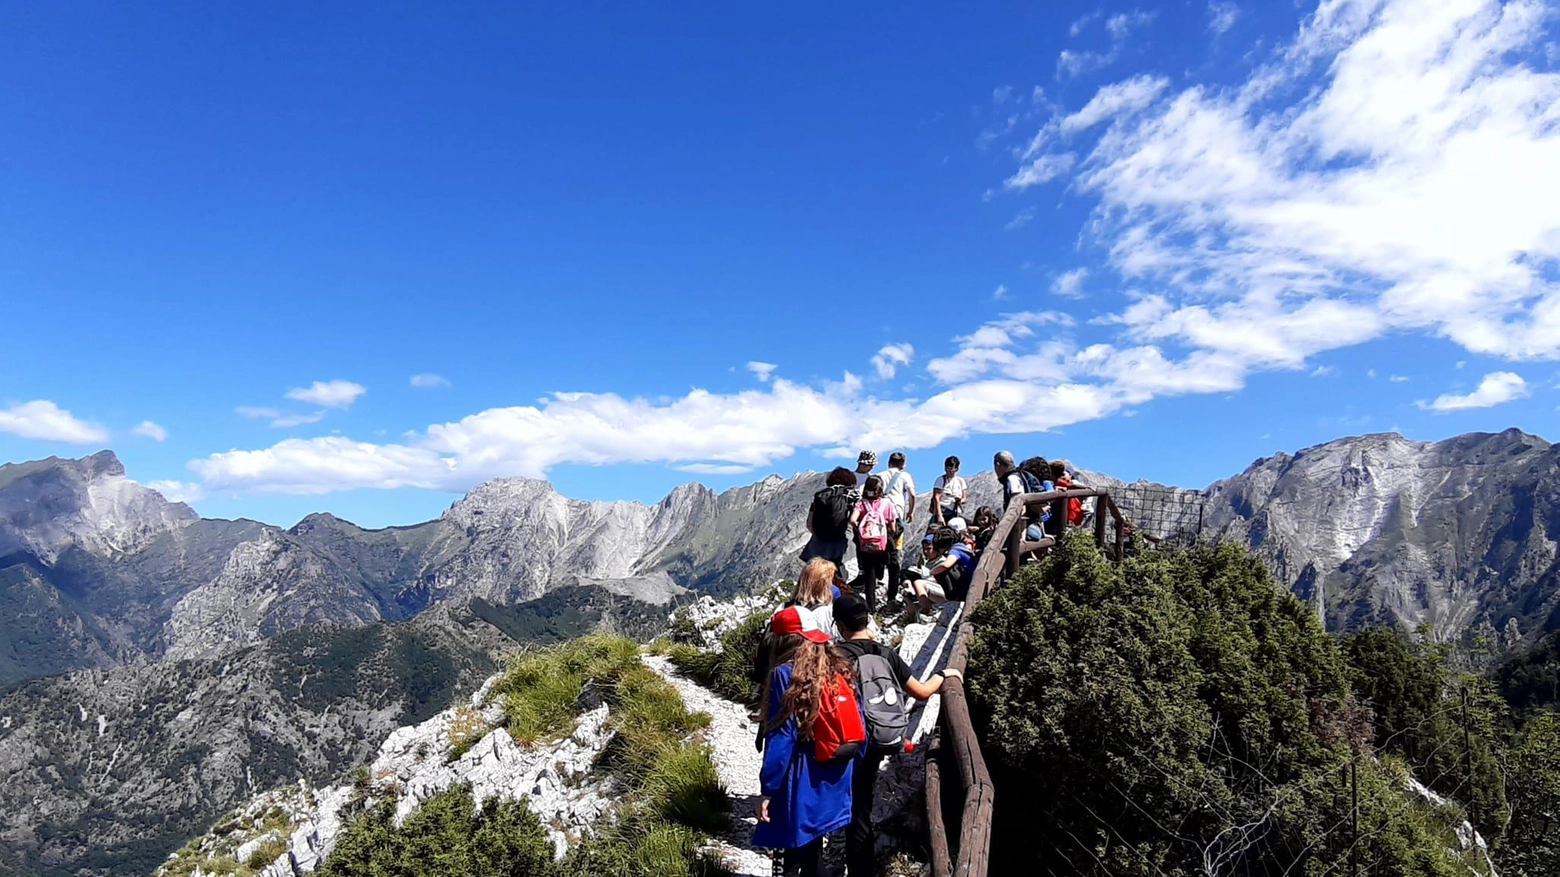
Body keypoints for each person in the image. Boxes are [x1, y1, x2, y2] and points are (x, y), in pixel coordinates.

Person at [831, 593, 960, 877]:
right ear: (867, 620)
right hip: (875, 739)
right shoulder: (885, 653)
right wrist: (945, 673)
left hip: (841, 742)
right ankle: (861, 871)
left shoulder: (834, 656)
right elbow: (922, 691)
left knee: (831, 800)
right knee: (860, 808)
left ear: (839, 625)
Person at [754, 615, 859, 877]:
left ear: (782, 640)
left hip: (804, 776)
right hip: (837, 769)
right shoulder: (838, 667)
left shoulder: (785, 674)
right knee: (813, 852)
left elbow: (782, 736)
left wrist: (768, 789)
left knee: (793, 853)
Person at [850, 474, 900, 614]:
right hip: (885, 543)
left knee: (869, 575)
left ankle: (871, 608)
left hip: (866, 545)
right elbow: (893, 528)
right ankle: (891, 598)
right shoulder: (887, 503)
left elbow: (853, 520)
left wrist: (862, 530)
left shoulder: (861, 503)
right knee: (894, 568)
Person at [900, 528, 976, 617]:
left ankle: (926, 609)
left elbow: (946, 565)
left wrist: (931, 573)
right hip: (966, 585)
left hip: (961, 590)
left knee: (923, 581)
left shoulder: (955, 550)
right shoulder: (962, 547)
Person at [879, 453, 917, 606]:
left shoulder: (880, 475)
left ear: (889, 462)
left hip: (880, 517)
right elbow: (913, 495)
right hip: (896, 517)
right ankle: (892, 595)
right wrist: (911, 511)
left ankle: (878, 581)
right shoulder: (905, 476)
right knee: (895, 553)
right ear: (903, 464)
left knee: (880, 548)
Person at [802, 467, 859, 565]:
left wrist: (820, 533)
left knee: (815, 574)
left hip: (818, 543)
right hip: (844, 540)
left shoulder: (820, 495)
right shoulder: (853, 495)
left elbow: (809, 523)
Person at [994, 450, 1049, 543]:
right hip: (1034, 526)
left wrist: (1021, 537)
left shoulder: (1012, 479)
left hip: (1028, 530)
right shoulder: (1021, 475)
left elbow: (1021, 508)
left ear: (998, 464)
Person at [930, 456, 966, 527]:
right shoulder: (941, 480)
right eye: (947, 469)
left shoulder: (960, 481)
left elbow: (964, 498)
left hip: (956, 512)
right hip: (943, 511)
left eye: (951, 469)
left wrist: (960, 500)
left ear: (957, 469)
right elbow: (936, 498)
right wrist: (940, 516)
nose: (948, 472)